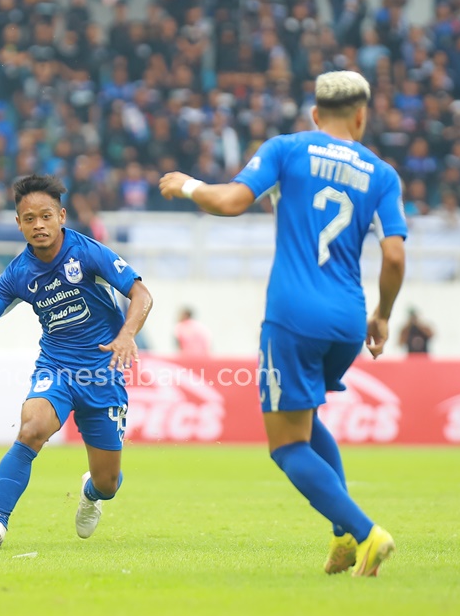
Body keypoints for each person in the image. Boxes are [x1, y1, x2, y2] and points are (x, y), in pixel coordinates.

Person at [157, 71, 407, 577]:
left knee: (286, 445)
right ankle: (342, 540)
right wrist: (382, 313)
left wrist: (185, 184)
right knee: (307, 422)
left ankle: (366, 533)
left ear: (315, 115)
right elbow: (396, 256)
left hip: (292, 316)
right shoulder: (382, 174)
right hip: (347, 320)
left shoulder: (288, 148)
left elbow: (230, 202)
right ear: (362, 116)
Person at [0, 174, 153, 548]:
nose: (39, 225)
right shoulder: (17, 274)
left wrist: (127, 335)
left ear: (61, 216)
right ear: (18, 223)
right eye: (29, 219)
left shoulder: (88, 253)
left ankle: (90, 494)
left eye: (46, 216)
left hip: (101, 373)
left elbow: (141, 294)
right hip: (56, 368)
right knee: (31, 429)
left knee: (108, 484)